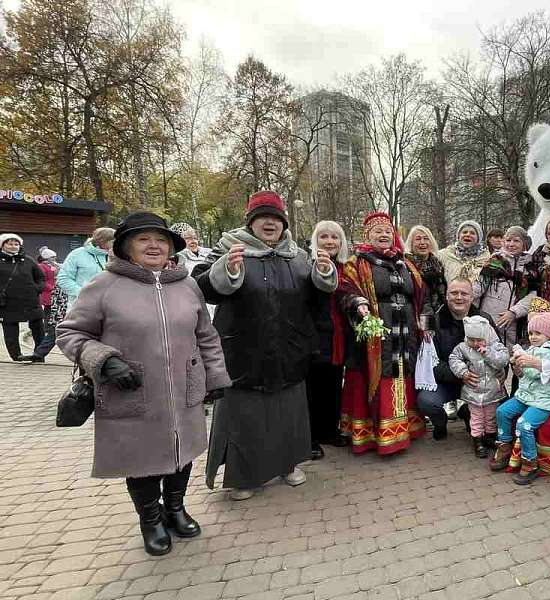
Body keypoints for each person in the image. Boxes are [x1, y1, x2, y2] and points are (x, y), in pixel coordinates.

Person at [57, 211, 231, 556]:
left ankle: (176, 508)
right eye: (143, 239)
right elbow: (70, 333)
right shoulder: (104, 286)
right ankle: (150, 519)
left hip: (184, 388)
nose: (154, 245)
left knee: (183, 453)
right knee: (142, 460)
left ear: (171, 248)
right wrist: (104, 360)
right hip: (131, 391)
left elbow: (206, 335)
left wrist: (215, 375)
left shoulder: (186, 284)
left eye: (161, 240)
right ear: (125, 247)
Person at [195, 191, 338, 501]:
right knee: (246, 419)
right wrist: (228, 271)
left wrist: (323, 274)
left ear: (283, 224)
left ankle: (287, 465)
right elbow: (202, 288)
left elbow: (315, 301)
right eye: (263, 218)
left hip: (289, 349)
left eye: (276, 218)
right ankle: (244, 478)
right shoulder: (228, 249)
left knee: (288, 414)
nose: (270, 223)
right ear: (251, 222)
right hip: (244, 351)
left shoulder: (298, 256)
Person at [339, 211, 426, 455]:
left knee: (402, 375)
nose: (384, 235)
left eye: (388, 231)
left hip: (405, 335)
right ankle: (375, 436)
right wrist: (359, 303)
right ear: (367, 235)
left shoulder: (406, 263)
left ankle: (403, 430)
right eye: (378, 231)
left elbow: (422, 295)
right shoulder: (357, 263)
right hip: (375, 338)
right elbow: (346, 289)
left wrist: (424, 324)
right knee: (379, 378)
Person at [490, 311, 550, 485]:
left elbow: (534, 373)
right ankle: (504, 445)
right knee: (502, 411)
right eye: (531, 333)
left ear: (548, 334)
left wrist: (524, 362)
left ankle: (530, 461)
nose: (533, 337)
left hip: (544, 400)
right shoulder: (532, 350)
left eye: (538, 333)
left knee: (524, 424)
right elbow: (525, 376)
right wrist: (518, 367)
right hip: (527, 396)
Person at [417, 277, 498, 441]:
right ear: (446, 296)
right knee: (426, 401)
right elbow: (430, 364)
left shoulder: (485, 319)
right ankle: (440, 423)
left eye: (464, 293)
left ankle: (467, 415)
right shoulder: (434, 322)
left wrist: (499, 373)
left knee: (497, 404)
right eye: (454, 293)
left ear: (472, 296)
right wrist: (461, 374)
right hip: (446, 381)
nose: (459, 297)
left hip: (478, 383)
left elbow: (498, 351)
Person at [306, 221, 352, 456]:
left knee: (334, 383)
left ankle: (329, 430)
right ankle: (310, 437)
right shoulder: (308, 264)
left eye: (335, 237)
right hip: (316, 334)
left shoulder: (347, 267)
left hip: (339, 334)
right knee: (313, 387)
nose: (329, 241)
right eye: (324, 237)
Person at [448, 315, 510, 458]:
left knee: (490, 416)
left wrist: (488, 352)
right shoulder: (463, 348)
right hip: (473, 391)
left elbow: (503, 360)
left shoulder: (494, 346)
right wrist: (463, 372)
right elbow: (453, 358)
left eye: (479, 340)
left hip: (492, 391)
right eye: (471, 340)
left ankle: (489, 436)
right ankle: (477, 439)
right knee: (476, 417)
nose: (475, 343)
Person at [474, 225, 535, 347]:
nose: (511, 244)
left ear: (524, 244)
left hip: (516, 324)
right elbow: (479, 287)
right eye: (508, 240)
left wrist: (514, 312)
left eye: (516, 241)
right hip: (490, 321)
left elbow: (533, 296)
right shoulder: (494, 261)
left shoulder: (530, 267)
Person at [0, 233, 45, 362]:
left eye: (16, 244)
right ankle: (16, 355)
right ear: (3, 245)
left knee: (38, 328)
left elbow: (41, 277)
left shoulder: (28, 260)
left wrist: (37, 288)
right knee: (10, 329)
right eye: (10, 244)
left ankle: (39, 354)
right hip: (8, 302)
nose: (14, 246)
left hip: (30, 301)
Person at [57, 226, 114, 307]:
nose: (117, 244)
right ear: (102, 241)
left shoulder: (116, 256)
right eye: (113, 241)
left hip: (108, 306)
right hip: (81, 307)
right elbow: (63, 278)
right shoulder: (77, 254)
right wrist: (83, 293)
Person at [25, 247, 61, 362]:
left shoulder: (55, 266)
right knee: (50, 313)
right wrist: (52, 288)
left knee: (53, 317)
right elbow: (42, 281)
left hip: (56, 293)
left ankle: (40, 352)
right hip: (49, 293)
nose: (54, 259)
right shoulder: (41, 266)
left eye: (54, 257)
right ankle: (47, 327)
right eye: (52, 257)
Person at [405, 225, 446, 315]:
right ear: (411, 243)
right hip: (415, 313)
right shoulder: (406, 265)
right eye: (418, 239)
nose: (422, 242)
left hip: (439, 313)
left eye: (426, 238)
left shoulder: (438, 264)